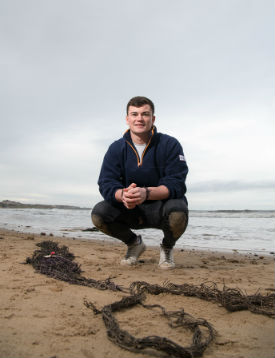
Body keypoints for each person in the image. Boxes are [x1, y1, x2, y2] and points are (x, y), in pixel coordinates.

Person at [91, 96, 188, 269]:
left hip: (161, 207)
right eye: (134, 114)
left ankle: (167, 248)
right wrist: (123, 195)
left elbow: (177, 183)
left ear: (153, 118)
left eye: (145, 114)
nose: (139, 119)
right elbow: (106, 182)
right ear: (127, 119)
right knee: (99, 213)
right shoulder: (116, 148)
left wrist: (146, 193)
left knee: (179, 211)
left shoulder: (170, 144)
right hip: (130, 208)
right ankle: (134, 243)